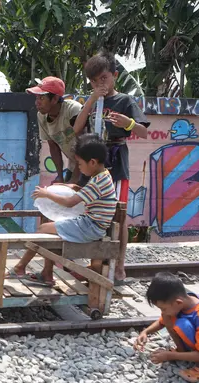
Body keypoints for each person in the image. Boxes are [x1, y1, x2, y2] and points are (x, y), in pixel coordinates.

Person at [73, 51, 150, 283]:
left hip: (115, 164)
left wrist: (130, 123)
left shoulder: (125, 101)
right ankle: (92, 264)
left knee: (118, 216)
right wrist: (91, 99)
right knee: (87, 212)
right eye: (94, 81)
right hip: (91, 164)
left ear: (114, 76)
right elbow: (77, 129)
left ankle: (119, 266)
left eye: (103, 78)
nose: (99, 84)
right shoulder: (91, 101)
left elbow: (144, 132)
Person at [9, 135, 116, 285]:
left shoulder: (98, 181)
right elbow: (84, 192)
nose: (78, 168)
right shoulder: (103, 176)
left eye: (79, 164)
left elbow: (70, 202)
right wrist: (71, 187)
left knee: (42, 230)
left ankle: (21, 267)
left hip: (90, 228)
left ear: (92, 162)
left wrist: (46, 194)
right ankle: (46, 273)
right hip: (91, 225)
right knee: (50, 229)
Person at [134, 272, 199, 383]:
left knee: (182, 325)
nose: (162, 312)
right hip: (198, 341)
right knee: (169, 317)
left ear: (178, 302)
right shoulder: (182, 303)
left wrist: (169, 356)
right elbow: (162, 322)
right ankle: (183, 352)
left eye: (163, 308)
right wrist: (145, 332)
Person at [26, 76, 89, 186]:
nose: (37, 103)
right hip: (74, 165)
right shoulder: (41, 116)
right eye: (36, 98)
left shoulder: (73, 110)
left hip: (89, 165)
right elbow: (53, 146)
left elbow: (84, 146)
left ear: (55, 99)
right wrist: (60, 176)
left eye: (42, 98)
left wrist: (74, 179)